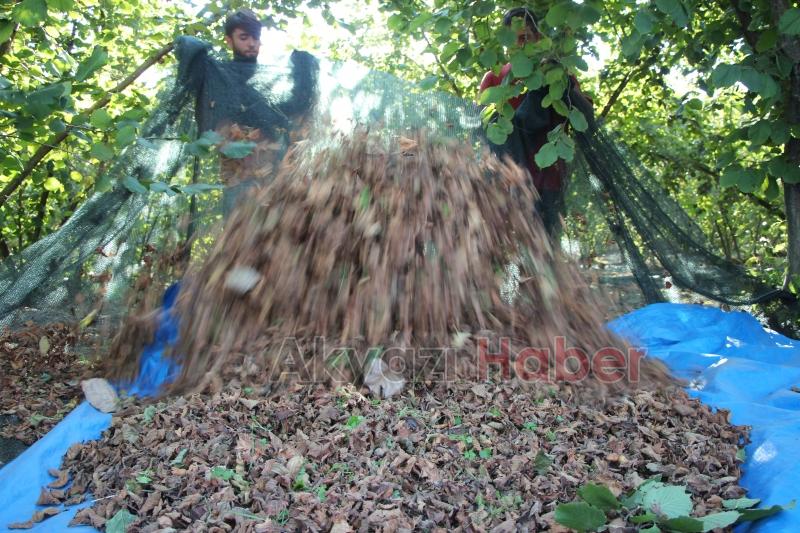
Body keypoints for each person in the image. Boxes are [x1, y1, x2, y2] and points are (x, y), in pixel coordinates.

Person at [479, 7, 593, 238]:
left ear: (537, 38)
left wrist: (566, 85)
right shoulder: (493, 79)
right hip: (508, 185)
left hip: (549, 183)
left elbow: (587, 121)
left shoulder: (556, 75)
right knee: (514, 252)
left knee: (546, 249)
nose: (518, 45)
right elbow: (483, 134)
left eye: (524, 38)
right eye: (512, 39)